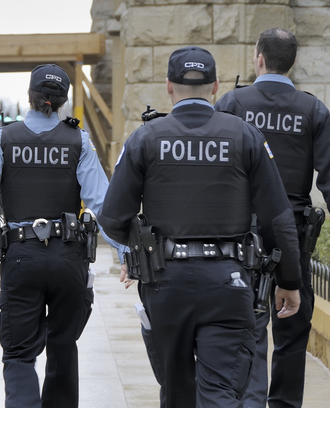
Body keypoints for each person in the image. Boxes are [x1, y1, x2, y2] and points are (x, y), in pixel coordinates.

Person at [97, 46, 304, 408]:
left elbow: (113, 219)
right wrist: (289, 281)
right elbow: (278, 218)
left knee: (176, 395)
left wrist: (139, 247)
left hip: (165, 282)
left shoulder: (145, 138)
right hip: (229, 282)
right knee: (221, 394)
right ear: (215, 86)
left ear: (168, 86)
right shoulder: (245, 136)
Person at [214, 28, 330, 408]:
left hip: (240, 236)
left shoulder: (233, 102)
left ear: (258, 58)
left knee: (249, 329)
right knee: (292, 335)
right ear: (291, 61)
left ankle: (249, 409)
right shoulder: (312, 110)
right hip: (292, 239)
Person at [0, 64, 121, 408]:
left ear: (29, 97)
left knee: (18, 353)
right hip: (68, 257)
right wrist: (125, 252)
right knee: (62, 346)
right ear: (62, 102)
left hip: (20, 257)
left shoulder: (4, 138)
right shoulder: (78, 140)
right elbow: (102, 203)